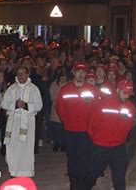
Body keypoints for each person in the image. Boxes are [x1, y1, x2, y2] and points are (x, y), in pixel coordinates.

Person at [83, 80, 136, 190]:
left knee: (119, 177)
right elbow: (91, 124)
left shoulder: (130, 107)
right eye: (124, 92)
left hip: (119, 148)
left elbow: (129, 126)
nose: (126, 96)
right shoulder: (102, 104)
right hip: (100, 147)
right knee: (92, 173)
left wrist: (120, 139)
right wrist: (98, 139)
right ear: (117, 90)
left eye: (129, 94)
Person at [56, 61, 100, 189]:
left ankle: (83, 184)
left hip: (86, 131)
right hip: (70, 130)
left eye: (83, 72)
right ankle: (74, 184)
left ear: (86, 74)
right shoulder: (65, 89)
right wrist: (68, 121)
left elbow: (97, 109)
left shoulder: (92, 90)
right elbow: (60, 109)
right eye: (78, 71)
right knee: (72, 158)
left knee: (84, 158)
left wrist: (92, 126)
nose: (81, 74)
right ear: (74, 72)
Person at [1, 66, 42, 177]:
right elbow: (3, 103)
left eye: (23, 73)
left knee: (26, 146)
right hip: (13, 122)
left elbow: (39, 105)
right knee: (13, 146)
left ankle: (26, 171)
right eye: (19, 74)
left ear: (27, 74)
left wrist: (26, 105)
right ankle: (14, 170)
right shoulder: (12, 88)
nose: (21, 76)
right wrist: (15, 104)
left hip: (28, 122)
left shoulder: (34, 88)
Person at [50, 68, 68, 152]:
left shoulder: (69, 84)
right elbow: (52, 96)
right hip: (55, 108)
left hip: (66, 108)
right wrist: (60, 89)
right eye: (62, 77)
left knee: (64, 128)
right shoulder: (54, 84)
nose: (63, 79)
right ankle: (56, 144)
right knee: (56, 128)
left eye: (64, 77)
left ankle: (64, 144)